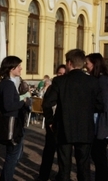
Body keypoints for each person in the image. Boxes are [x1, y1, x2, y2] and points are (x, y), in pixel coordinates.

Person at [42, 49, 103, 181]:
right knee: (84, 167)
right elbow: (100, 105)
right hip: (85, 128)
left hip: (64, 127)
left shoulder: (60, 81)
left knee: (64, 167)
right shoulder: (92, 81)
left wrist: (50, 121)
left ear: (69, 63)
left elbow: (47, 104)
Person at [0, 56, 29, 180]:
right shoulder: (8, 84)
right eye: (19, 66)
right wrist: (23, 102)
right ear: (11, 68)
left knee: (13, 155)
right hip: (12, 125)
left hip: (13, 123)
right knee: (12, 157)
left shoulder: (6, 83)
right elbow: (8, 105)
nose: (21, 68)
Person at [36, 64, 66, 181]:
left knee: (62, 153)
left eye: (64, 74)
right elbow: (46, 105)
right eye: (59, 73)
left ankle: (61, 175)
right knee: (48, 151)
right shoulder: (51, 88)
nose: (61, 76)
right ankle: (43, 176)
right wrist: (49, 121)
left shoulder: (67, 89)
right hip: (52, 124)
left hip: (63, 125)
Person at [85, 53, 108, 181]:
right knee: (98, 156)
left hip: (101, 125)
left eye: (87, 63)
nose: (86, 66)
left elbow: (104, 104)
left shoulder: (102, 80)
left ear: (94, 64)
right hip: (99, 124)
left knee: (99, 156)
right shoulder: (99, 80)